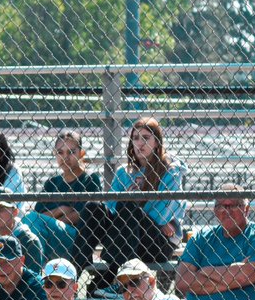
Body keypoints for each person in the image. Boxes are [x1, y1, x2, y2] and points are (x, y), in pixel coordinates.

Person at [79, 118, 186, 282]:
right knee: (93, 207)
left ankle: (116, 278)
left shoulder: (169, 170)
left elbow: (161, 215)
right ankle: (76, 269)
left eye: (145, 138)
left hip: (156, 243)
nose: (139, 143)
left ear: (157, 142)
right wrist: (130, 207)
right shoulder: (124, 172)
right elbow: (111, 209)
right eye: (135, 138)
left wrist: (131, 205)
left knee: (127, 205)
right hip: (124, 238)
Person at [22, 130, 103, 267]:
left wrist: (48, 221)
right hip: (48, 239)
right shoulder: (52, 183)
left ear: (81, 153)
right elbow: (37, 215)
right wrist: (61, 209)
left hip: (76, 242)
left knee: (33, 223)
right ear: (55, 153)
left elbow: (82, 215)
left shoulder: (90, 179)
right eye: (60, 152)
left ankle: (33, 275)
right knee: (30, 221)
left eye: (71, 152)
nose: (65, 157)